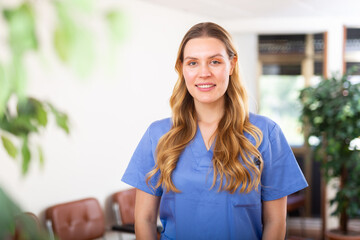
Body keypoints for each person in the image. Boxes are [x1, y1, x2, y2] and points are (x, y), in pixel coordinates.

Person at [122, 22, 308, 240]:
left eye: (215, 61)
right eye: (193, 63)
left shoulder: (266, 134)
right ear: (182, 68)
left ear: (231, 64)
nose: (204, 73)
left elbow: (276, 221)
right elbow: (144, 219)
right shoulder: (158, 135)